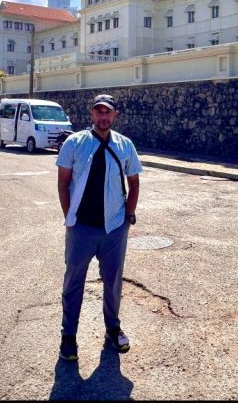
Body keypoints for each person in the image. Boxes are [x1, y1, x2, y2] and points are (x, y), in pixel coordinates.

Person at [56, 93, 142, 361]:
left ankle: (112, 328)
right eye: (99, 111)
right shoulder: (74, 143)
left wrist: (128, 218)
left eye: (108, 112)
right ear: (92, 114)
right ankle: (68, 336)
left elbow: (134, 183)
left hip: (114, 228)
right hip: (81, 227)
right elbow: (63, 182)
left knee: (113, 281)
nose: (103, 116)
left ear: (115, 115)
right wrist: (70, 218)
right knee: (74, 282)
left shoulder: (125, 145)